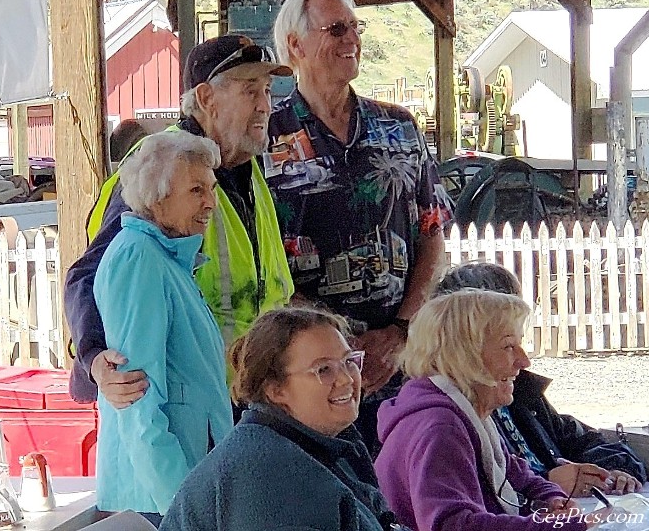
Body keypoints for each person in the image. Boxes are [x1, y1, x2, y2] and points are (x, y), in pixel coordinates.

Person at [266, 0, 453, 455]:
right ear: (295, 45)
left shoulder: (400, 127)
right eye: (336, 29)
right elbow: (261, 257)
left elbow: (432, 233)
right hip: (312, 369)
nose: (351, 40)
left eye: (355, 28)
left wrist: (399, 331)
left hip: (399, 357)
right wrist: (341, 346)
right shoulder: (265, 138)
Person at [64, 35, 295, 406]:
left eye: (267, 91)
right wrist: (94, 358)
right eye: (250, 91)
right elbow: (88, 273)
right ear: (205, 99)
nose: (265, 106)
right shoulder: (162, 165)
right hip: (182, 405)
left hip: (251, 394)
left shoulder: (247, 168)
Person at [374, 289, 609, 531]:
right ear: (464, 356)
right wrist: (558, 527)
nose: (524, 361)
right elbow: (451, 525)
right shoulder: (440, 427)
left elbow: (511, 468)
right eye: (508, 346)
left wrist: (550, 496)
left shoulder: (460, 410)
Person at [93, 130, 233, 526]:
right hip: (157, 498)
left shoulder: (166, 258)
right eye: (196, 190)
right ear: (158, 197)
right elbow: (136, 394)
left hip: (182, 487)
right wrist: (180, 503)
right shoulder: (139, 258)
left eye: (211, 189)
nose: (210, 203)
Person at [159, 307, 398, 531]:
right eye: (323, 369)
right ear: (275, 390)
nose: (347, 379)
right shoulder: (265, 475)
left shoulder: (330, 441)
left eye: (348, 362)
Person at [433, 262, 646, 497]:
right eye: (507, 344)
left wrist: (615, 470)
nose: (525, 361)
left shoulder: (518, 391)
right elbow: (467, 509)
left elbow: (582, 439)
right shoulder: (445, 421)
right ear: (467, 342)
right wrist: (547, 485)